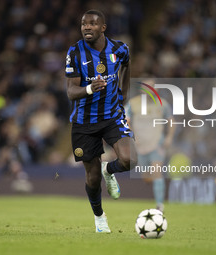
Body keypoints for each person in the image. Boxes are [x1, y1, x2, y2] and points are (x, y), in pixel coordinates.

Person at [65, 9, 137, 233]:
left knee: (129, 160)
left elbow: (126, 65)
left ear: (103, 28)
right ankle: (99, 217)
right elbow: (70, 91)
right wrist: (89, 88)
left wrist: (123, 93)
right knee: (93, 178)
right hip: (85, 123)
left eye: (93, 24)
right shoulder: (75, 53)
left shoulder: (119, 49)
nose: (87, 27)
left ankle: (110, 170)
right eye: (84, 24)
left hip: (113, 116)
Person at [126, 80, 175, 212]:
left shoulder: (163, 104)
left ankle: (160, 205)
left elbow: (171, 121)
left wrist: (169, 137)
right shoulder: (133, 104)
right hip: (140, 144)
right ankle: (156, 188)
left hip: (157, 142)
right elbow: (126, 121)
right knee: (147, 177)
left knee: (156, 171)